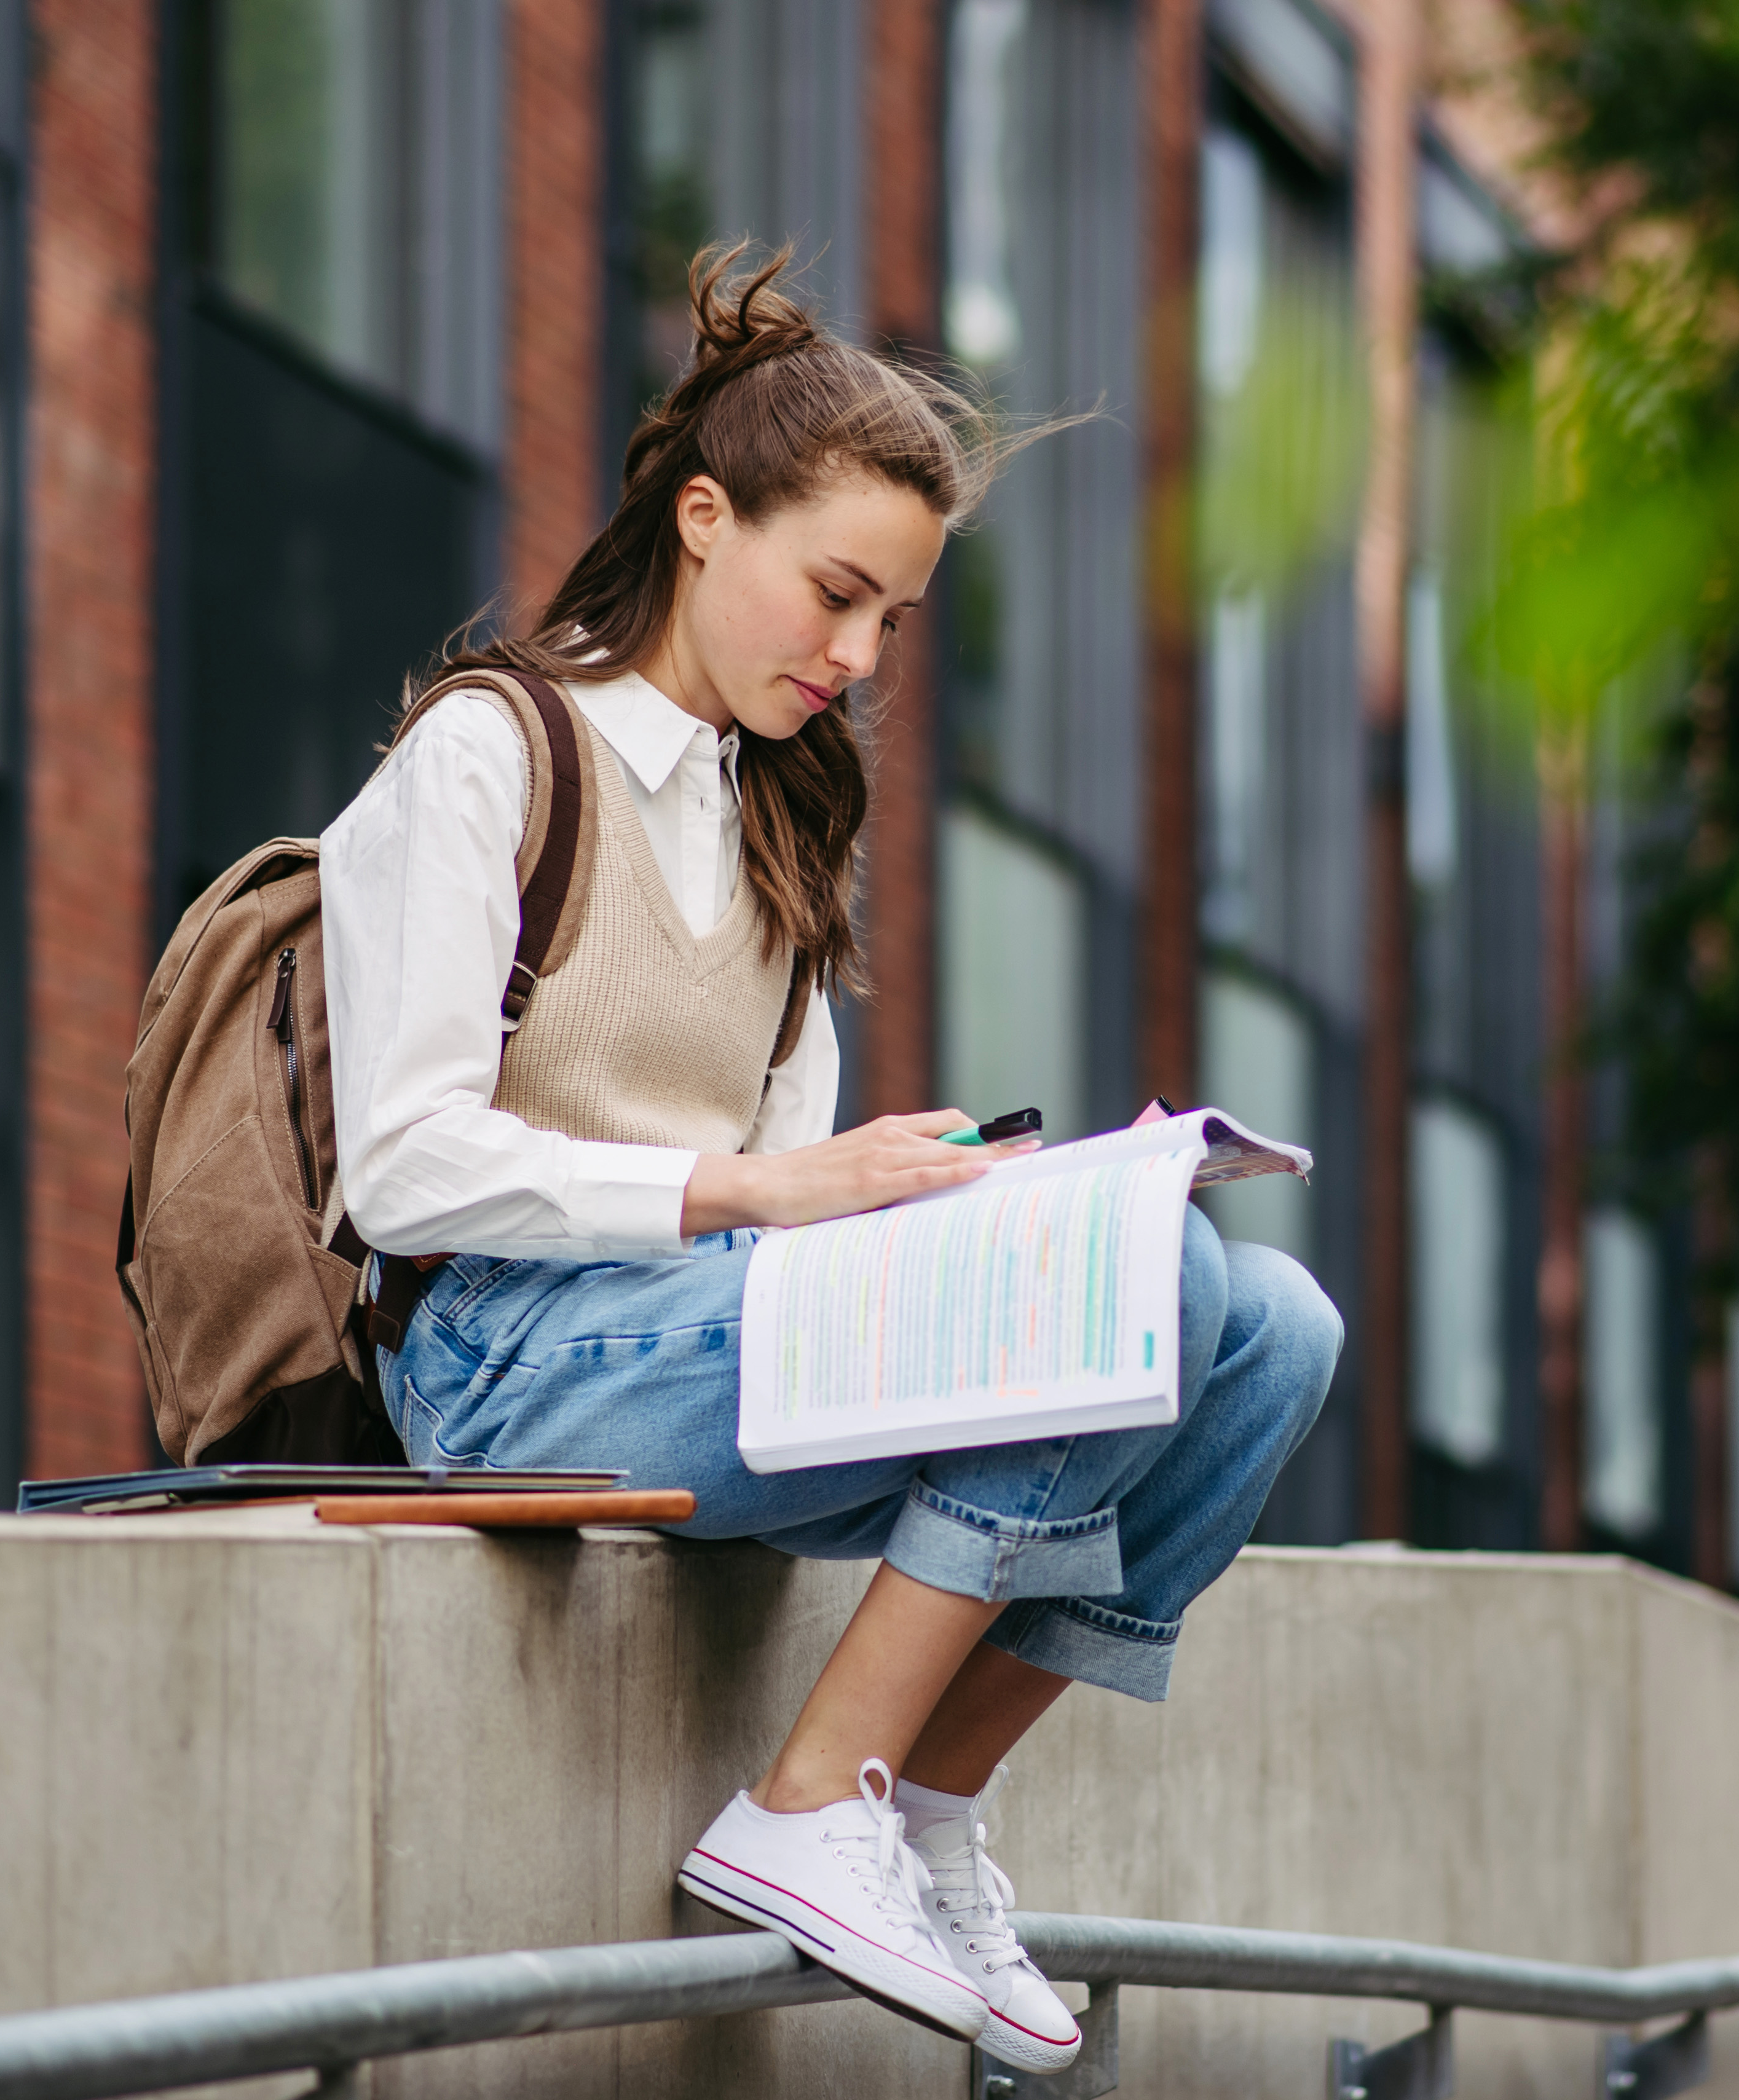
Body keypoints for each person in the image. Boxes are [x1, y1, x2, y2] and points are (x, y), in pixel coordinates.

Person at [317, 248, 1341, 2075]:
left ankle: (923, 1815)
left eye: (891, 621)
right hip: (503, 1359)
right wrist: (753, 1192)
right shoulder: (487, 758)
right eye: (835, 594)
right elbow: (398, 1168)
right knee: (1146, 1288)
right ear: (703, 521)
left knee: (1270, 1323)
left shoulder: (775, 807)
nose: (856, 658)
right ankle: (806, 1799)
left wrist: (939, 1198)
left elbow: (799, 1206)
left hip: (701, 1341)